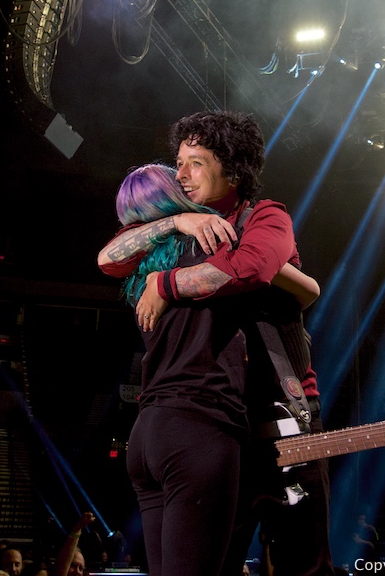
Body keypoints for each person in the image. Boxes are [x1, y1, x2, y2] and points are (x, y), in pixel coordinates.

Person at [98, 111, 332, 576]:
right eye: (178, 162)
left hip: (280, 414)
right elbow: (108, 258)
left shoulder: (266, 216)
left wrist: (166, 284)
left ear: (234, 171)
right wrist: (177, 222)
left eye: (196, 163)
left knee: (302, 563)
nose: (180, 174)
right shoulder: (173, 226)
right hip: (214, 423)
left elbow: (251, 268)